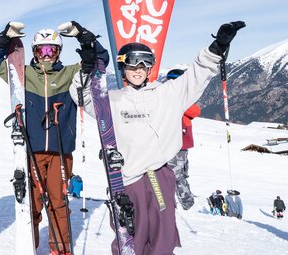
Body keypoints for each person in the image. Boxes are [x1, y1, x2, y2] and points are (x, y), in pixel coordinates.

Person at [71, 21, 245, 254]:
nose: (139, 68)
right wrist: (86, 69)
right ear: (123, 67)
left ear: (151, 68)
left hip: (158, 175)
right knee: (130, 235)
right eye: (133, 62)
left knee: (162, 236)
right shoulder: (112, 100)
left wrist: (218, 47)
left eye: (145, 63)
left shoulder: (168, 93)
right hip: (125, 179)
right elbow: (83, 97)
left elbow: (197, 75)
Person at [0, 21, 108, 254]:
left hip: (61, 153)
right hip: (30, 153)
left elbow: (101, 62)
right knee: (30, 204)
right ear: (34, 52)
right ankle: (29, 246)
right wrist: (5, 36)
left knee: (58, 204)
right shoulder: (24, 75)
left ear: (58, 52)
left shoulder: (70, 74)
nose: (46, 55)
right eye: (41, 50)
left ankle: (60, 249)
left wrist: (83, 36)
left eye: (51, 50)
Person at [164, 68, 200, 210]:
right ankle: (180, 202)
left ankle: (186, 201)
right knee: (175, 174)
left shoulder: (183, 99)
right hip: (174, 144)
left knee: (181, 173)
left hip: (182, 145)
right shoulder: (169, 98)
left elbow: (195, 111)